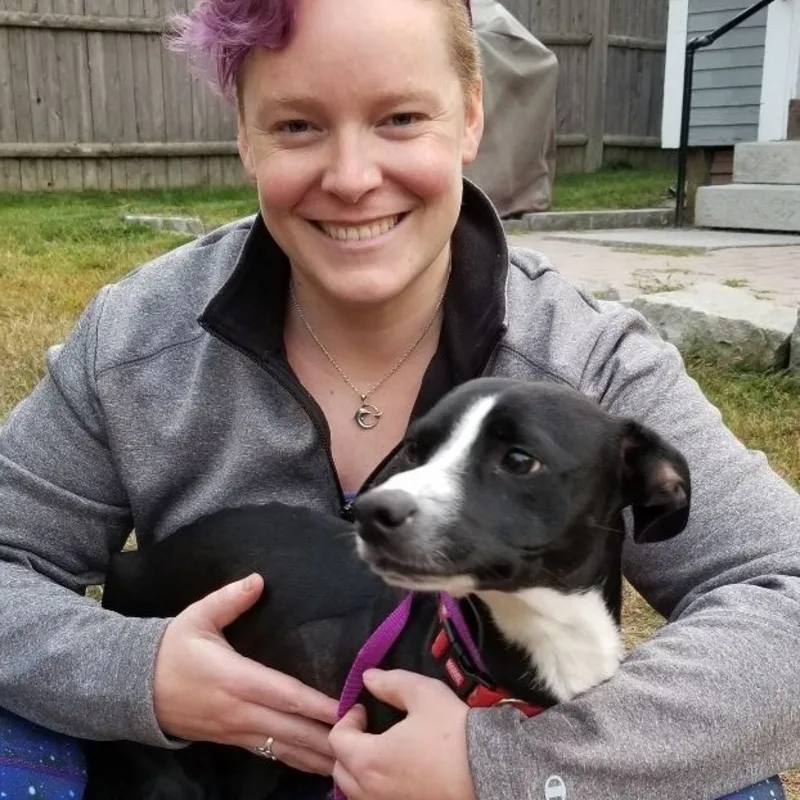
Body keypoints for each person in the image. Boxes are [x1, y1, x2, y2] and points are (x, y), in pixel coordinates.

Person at [0, 0, 798, 798]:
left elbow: (786, 595)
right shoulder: (138, 342)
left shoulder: (588, 363)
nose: (352, 179)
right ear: (243, 134)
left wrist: (504, 769)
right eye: (297, 126)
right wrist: (137, 675)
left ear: (471, 116)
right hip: (197, 768)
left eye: (401, 117)